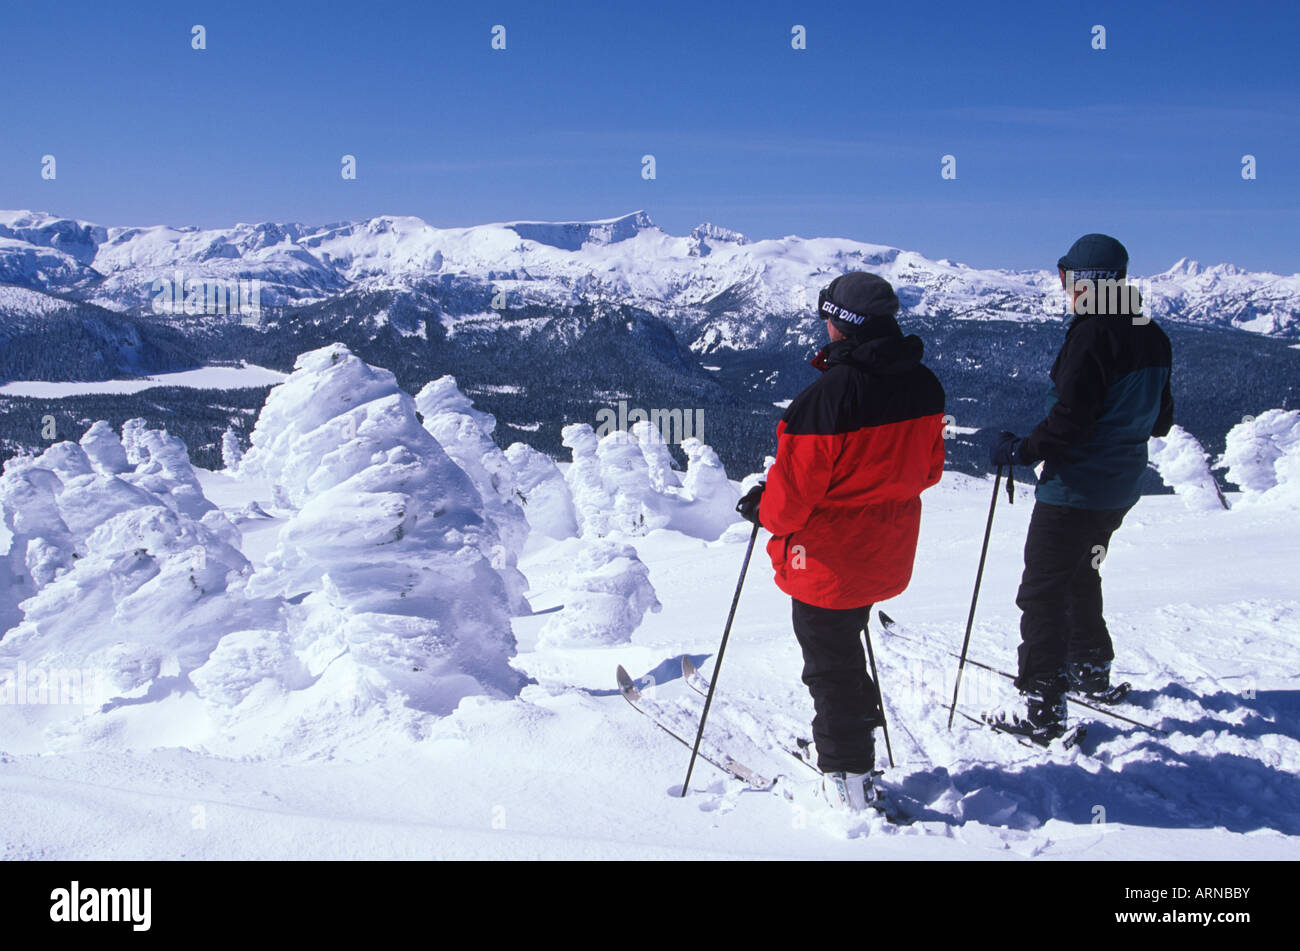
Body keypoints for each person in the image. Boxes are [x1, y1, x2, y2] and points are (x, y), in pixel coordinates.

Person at [736, 272, 946, 810]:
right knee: (845, 654)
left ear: (841, 324)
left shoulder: (827, 399)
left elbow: (790, 507)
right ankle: (853, 743)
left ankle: (848, 777)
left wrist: (764, 504)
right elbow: (926, 472)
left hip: (826, 563)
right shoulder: (924, 385)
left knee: (829, 666)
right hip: (884, 552)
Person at [987, 234, 1173, 741]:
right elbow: (1162, 421)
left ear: (1086, 281)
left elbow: (1071, 421)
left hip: (1075, 488)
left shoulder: (1093, 335)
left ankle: (1042, 709)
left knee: (1043, 591)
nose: (1063, 285)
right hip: (1120, 486)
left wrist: (1020, 451)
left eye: (1067, 276)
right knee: (1080, 575)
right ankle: (1091, 672)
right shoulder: (1150, 332)